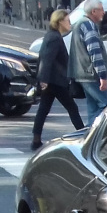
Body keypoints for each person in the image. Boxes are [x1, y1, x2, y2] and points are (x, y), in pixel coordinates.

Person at [31, 9, 84, 150]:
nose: (70, 24)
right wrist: (44, 79)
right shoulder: (54, 37)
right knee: (72, 108)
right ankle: (84, 136)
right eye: (67, 21)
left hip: (52, 80)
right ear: (60, 21)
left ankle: (36, 140)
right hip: (56, 81)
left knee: (43, 109)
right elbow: (46, 59)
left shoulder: (52, 36)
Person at [69, 0, 107, 126]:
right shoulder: (88, 25)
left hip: (82, 74)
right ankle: (98, 137)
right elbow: (94, 52)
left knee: (93, 109)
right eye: (101, 9)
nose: (103, 12)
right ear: (93, 11)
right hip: (91, 74)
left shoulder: (80, 24)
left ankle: (89, 136)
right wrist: (102, 77)